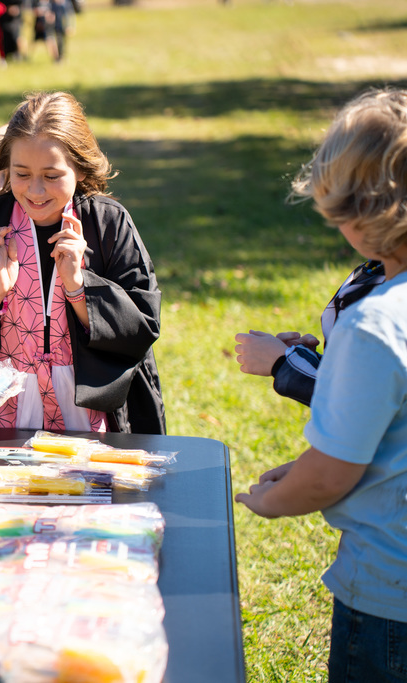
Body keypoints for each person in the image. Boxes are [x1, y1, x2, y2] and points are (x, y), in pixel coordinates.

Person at [235, 88, 407, 682]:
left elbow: (332, 474)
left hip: (390, 593)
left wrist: (272, 499)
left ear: (357, 209)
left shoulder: (376, 324)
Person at [0, 91, 166, 434]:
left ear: (80, 168)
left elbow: (143, 322)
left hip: (90, 405)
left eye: (52, 176)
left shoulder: (109, 224)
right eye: (21, 174)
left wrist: (79, 287)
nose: (36, 191)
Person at [234, 259, 384, 405]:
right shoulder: (376, 269)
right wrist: (306, 359)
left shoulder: (392, 293)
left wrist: (284, 363)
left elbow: (359, 403)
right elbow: (358, 375)